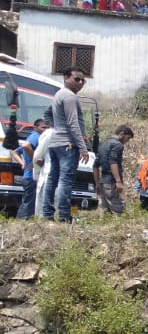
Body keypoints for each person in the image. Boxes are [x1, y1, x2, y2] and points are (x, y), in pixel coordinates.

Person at [40, 68, 90, 223]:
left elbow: (47, 114)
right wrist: (83, 147)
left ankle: (47, 214)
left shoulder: (58, 95)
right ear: (66, 77)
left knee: (52, 179)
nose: (80, 83)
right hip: (68, 144)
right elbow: (73, 123)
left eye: (83, 80)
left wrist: (57, 128)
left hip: (55, 143)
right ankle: (64, 216)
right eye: (76, 79)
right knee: (65, 180)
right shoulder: (69, 96)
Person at [93, 124, 134, 215]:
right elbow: (113, 162)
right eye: (128, 138)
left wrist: (97, 183)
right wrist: (118, 181)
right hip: (112, 182)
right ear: (122, 134)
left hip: (103, 181)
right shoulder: (118, 145)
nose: (127, 141)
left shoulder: (103, 144)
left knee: (104, 211)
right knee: (118, 210)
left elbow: (95, 165)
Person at [14, 118, 47, 219]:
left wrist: (22, 163)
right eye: (43, 127)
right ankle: (20, 223)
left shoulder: (36, 137)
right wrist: (35, 160)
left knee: (28, 202)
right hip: (31, 177)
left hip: (28, 176)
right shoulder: (35, 136)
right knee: (28, 205)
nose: (45, 130)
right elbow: (25, 146)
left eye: (47, 128)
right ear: (35, 127)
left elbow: (15, 152)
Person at [33, 118, 54, 217]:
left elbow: (37, 156)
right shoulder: (71, 131)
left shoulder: (49, 133)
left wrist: (36, 175)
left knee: (43, 205)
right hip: (64, 177)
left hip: (47, 174)